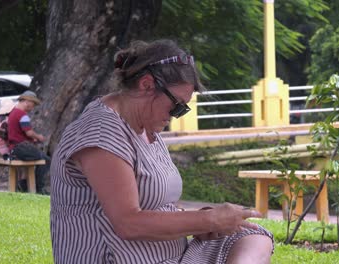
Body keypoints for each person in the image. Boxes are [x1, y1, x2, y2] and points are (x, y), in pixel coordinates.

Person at [50, 39, 274, 264]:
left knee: (253, 238)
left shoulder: (144, 126)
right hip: (118, 258)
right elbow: (128, 223)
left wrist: (199, 221)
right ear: (147, 85)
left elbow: (159, 205)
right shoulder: (101, 133)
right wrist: (208, 220)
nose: (177, 114)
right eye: (176, 105)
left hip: (172, 255)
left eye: (183, 108)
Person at [8, 90, 50, 194]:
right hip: (22, 147)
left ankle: (24, 186)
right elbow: (29, 133)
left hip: (14, 148)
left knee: (36, 161)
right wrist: (38, 137)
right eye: (33, 104)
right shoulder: (22, 115)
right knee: (46, 160)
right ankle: (38, 188)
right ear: (27, 101)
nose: (33, 106)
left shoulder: (13, 112)